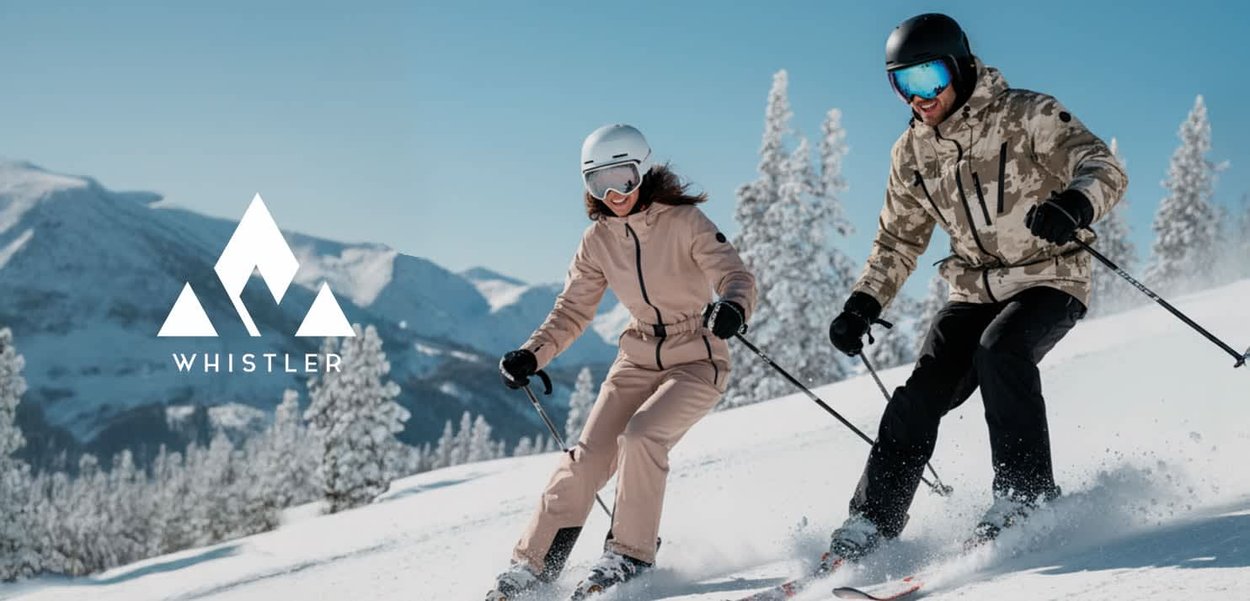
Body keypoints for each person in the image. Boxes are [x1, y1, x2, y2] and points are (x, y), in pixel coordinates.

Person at [823, 13, 1127, 567]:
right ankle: (872, 520)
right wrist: (862, 303)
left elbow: (1101, 165)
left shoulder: (1025, 114)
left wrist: (1074, 204)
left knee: (1001, 350)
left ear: (960, 67)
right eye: (905, 84)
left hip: (1048, 275)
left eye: (930, 78)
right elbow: (897, 240)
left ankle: (1025, 496)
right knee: (921, 393)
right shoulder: (911, 154)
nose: (921, 96)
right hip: (972, 291)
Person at [487, 124, 756, 599]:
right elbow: (572, 310)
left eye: (623, 179)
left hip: (697, 356)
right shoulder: (597, 241)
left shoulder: (685, 222)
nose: (613, 194)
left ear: (643, 171)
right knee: (586, 459)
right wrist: (533, 352)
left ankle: (629, 555)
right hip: (635, 358)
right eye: (598, 183)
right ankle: (533, 569)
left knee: (642, 436)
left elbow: (733, 274)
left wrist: (733, 306)